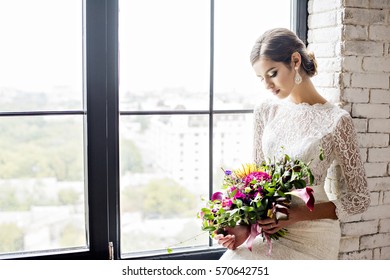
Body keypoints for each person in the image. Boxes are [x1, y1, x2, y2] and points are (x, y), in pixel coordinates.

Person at [215, 28, 371, 260]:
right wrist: (242, 228)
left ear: (295, 61)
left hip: (314, 234)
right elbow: (259, 180)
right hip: (272, 232)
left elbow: (359, 199)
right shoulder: (266, 111)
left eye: (272, 73)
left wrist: (295, 214)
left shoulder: (337, 120)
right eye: (261, 78)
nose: (267, 84)